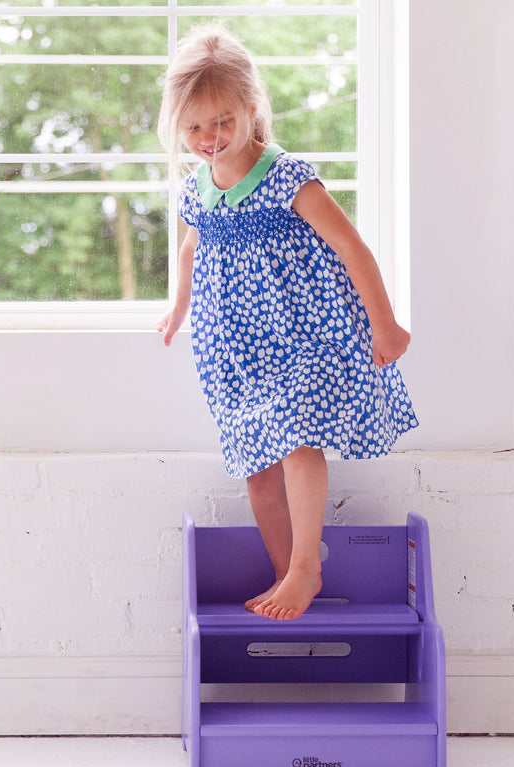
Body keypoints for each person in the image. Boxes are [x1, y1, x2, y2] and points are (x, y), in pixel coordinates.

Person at [157, 23, 418, 621]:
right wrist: (179, 303)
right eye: (193, 127)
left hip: (303, 333)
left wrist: (386, 324)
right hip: (236, 347)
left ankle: (306, 568)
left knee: (298, 444)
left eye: (222, 122)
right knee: (257, 469)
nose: (208, 138)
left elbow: (353, 249)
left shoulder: (288, 178)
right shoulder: (198, 185)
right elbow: (192, 246)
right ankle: (287, 574)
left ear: (252, 110)